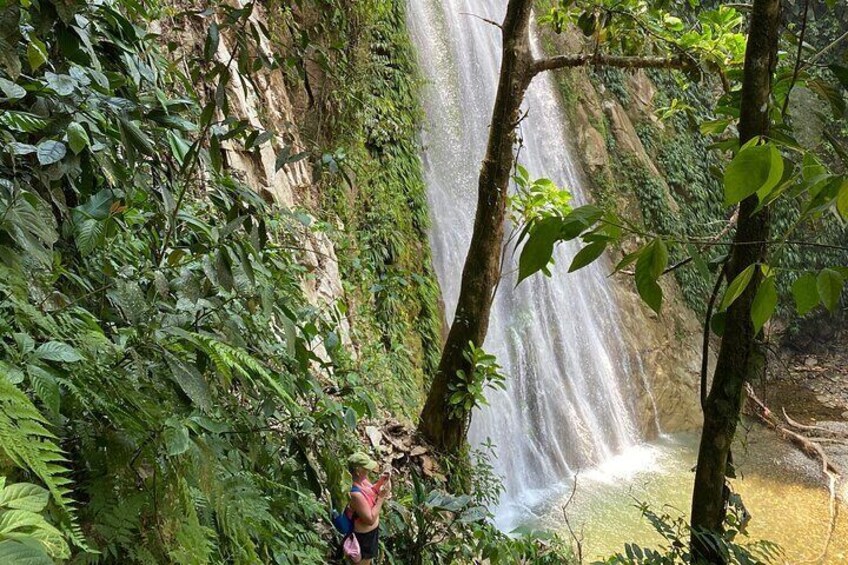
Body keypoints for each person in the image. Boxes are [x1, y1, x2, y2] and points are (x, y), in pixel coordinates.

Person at [346, 452, 391, 564]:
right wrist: (382, 497)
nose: (369, 470)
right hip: (364, 537)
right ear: (357, 471)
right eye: (366, 468)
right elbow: (370, 519)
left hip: (371, 534)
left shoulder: (363, 481)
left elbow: (372, 492)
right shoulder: (355, 494)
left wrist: (381, 482)